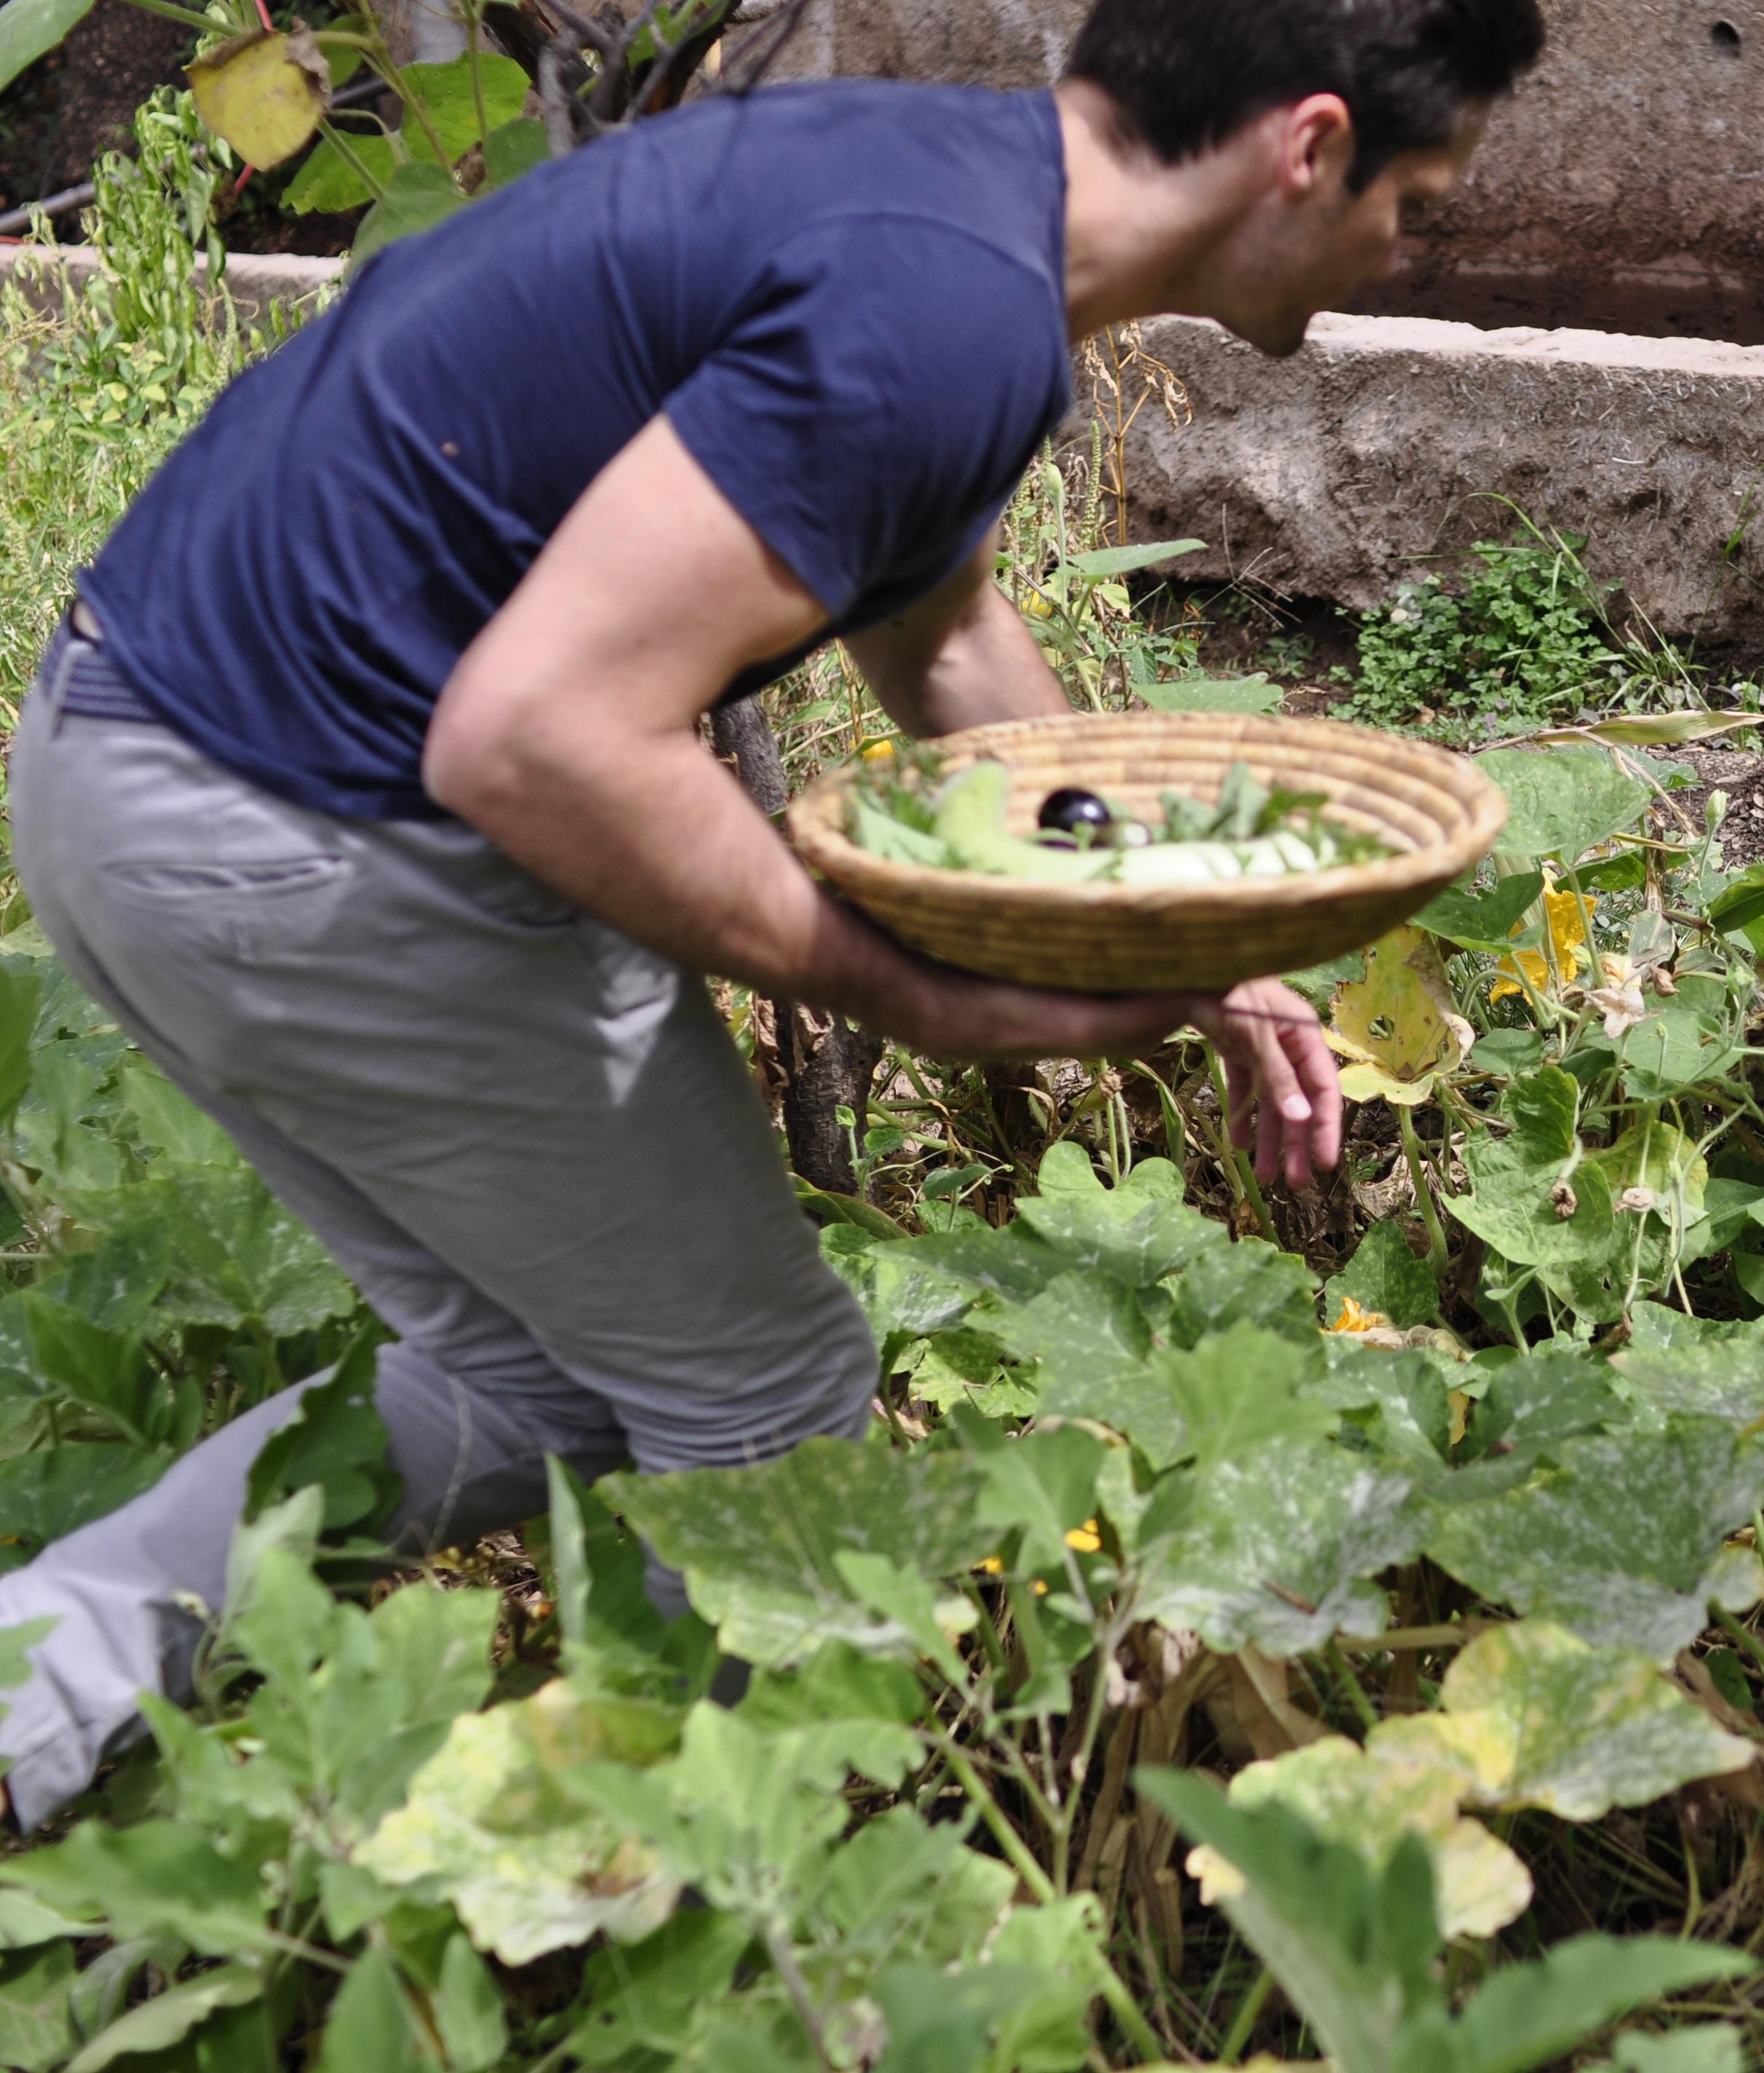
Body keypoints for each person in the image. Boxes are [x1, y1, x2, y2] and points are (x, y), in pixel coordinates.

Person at [0, 0, 1547, 1828]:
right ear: (1303, 148)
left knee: (527, 1384)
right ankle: (715, 1908)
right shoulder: (944, 307)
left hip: (140, 763)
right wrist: (910, 992)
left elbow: (947, 636)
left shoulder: (951, 214)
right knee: (767, 1402)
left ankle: (38, 1692)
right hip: (303, 821)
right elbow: (543, 736)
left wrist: (1178, 928)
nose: (1405, 251)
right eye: (1416, 203)